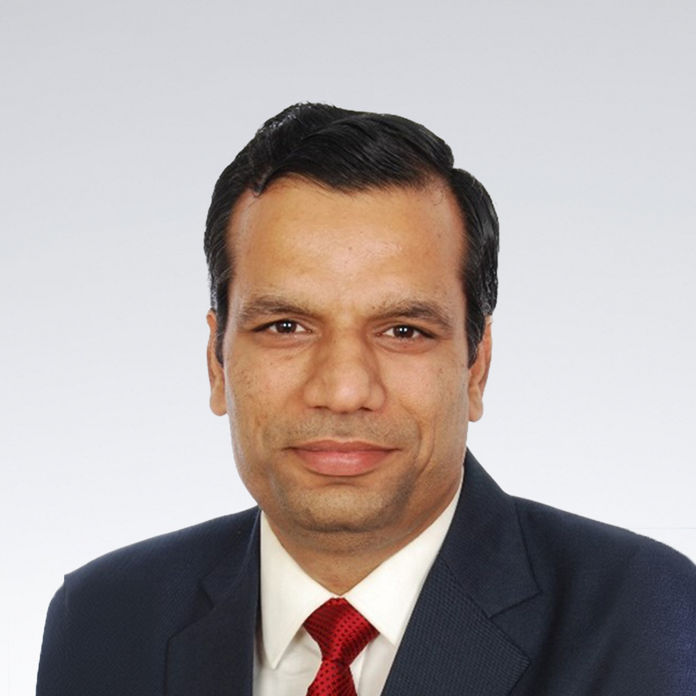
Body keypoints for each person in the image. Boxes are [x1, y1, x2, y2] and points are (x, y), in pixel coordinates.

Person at [37, 103, 696, 696]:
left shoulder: (651, 618)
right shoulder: (103, 620)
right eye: (286, 327)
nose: (344, 390)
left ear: (475, 366)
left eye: (403, 331)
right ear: (217, 361)